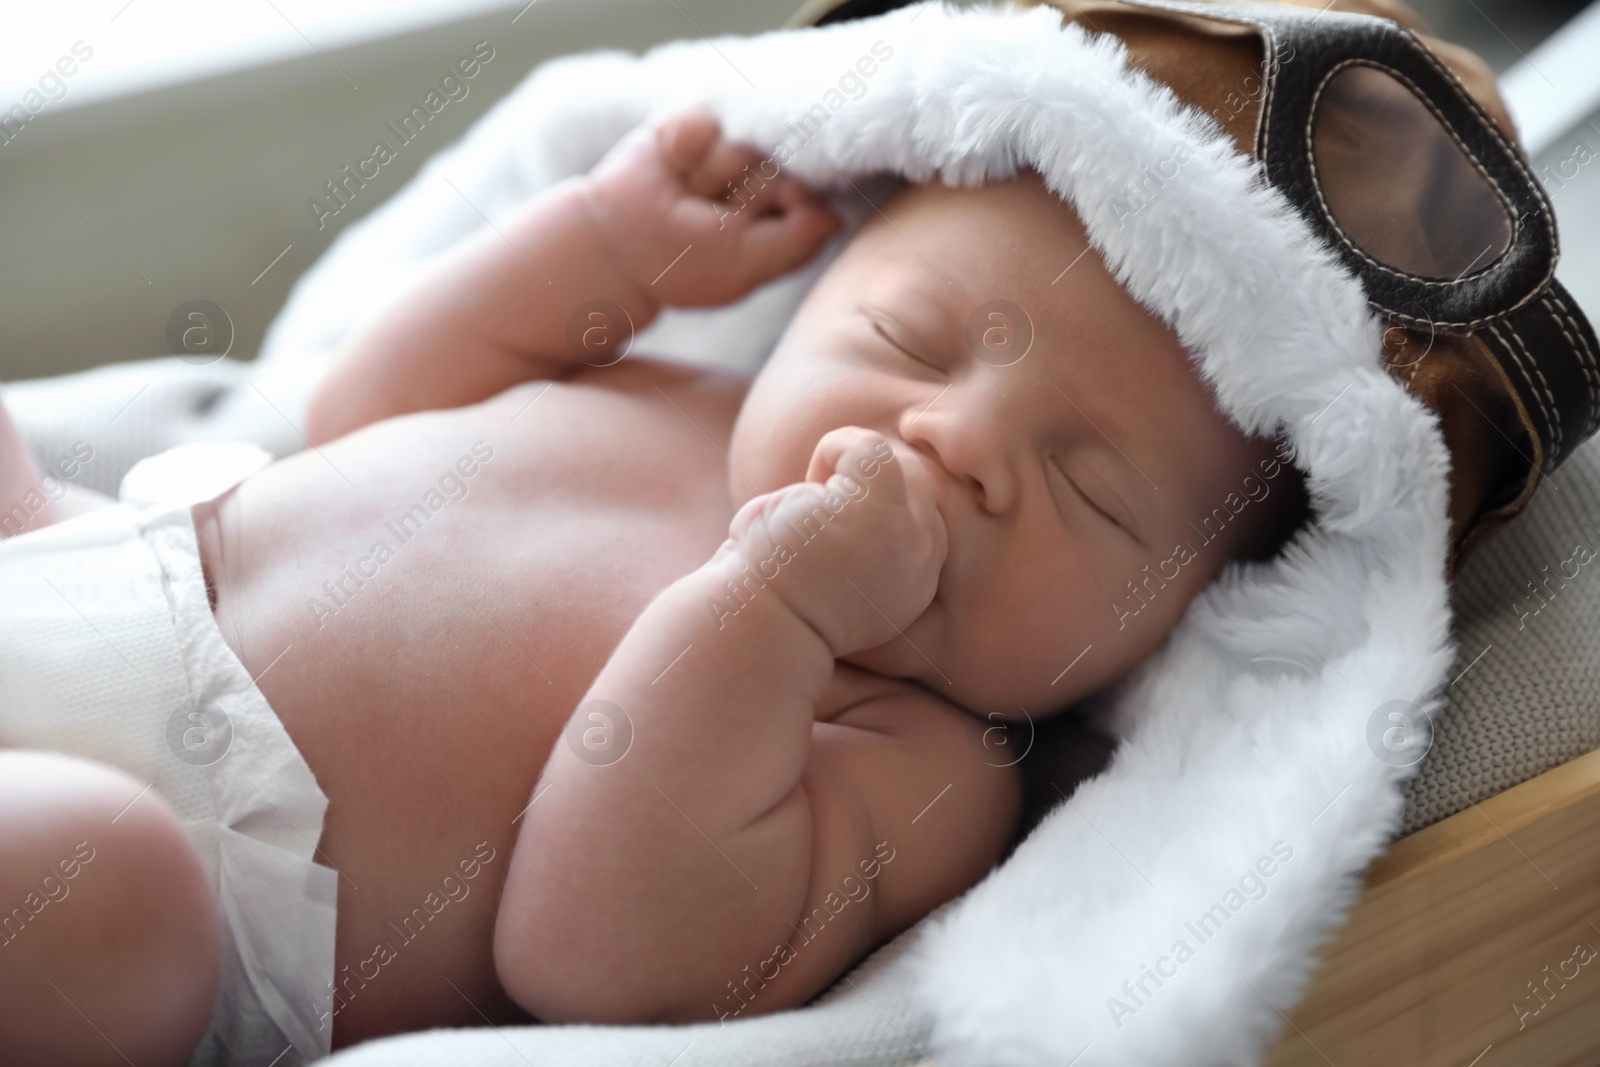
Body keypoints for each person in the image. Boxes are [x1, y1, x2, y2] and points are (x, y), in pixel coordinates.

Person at [0, 108, 1304, 1065]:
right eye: (904, 339)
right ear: (808, 310)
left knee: (113, 896)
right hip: (73, 561)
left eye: (1089, 488)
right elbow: (355, 412)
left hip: (183, 854)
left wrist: (773, 607)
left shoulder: (924, 762)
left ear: (1173, 618)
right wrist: (608, 245)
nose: (953, 440)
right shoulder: (683, 395)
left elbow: (592, 957)